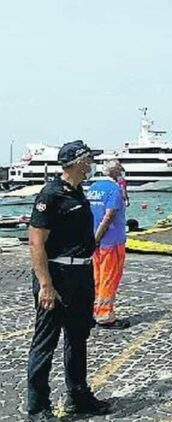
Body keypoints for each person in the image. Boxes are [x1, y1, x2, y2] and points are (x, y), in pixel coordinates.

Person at [27, 140, 111, 420]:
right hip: (57, 276)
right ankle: (38, 407)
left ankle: (79, 395)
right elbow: (36, 242)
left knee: (78, 337)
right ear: (77, 162)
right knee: (46, 341)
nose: (91, 165)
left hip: (81, 275)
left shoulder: (77, 192)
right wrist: (46, 285)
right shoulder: (51, 195)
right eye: (88, 160)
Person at [86, 160, 130, 329]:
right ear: (116, 171)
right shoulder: (114, 190)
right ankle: (105, 315)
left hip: (95, 240)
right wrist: (98, 237)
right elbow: (109, 215)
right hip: (111, 239)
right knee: (109, 277)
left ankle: (93, 310)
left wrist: (92, 239)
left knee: (96, 277)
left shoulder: (93, 188)